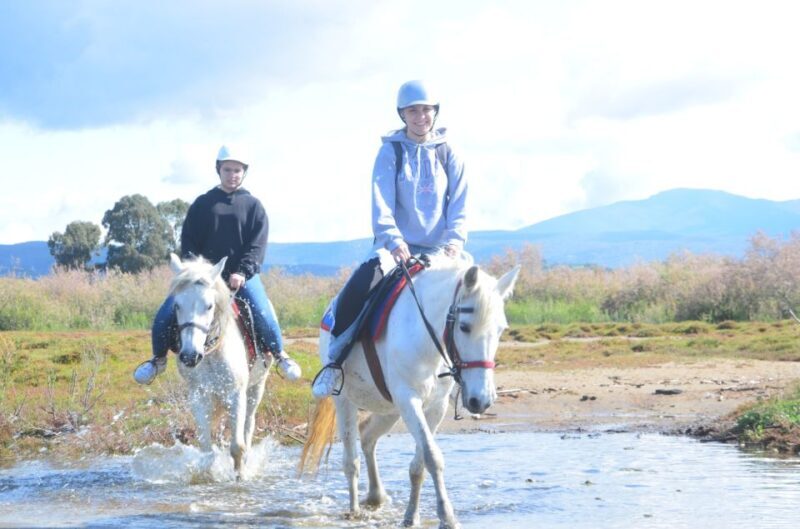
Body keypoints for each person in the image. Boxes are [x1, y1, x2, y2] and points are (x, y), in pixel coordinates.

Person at [311, 79, 468, 398]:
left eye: (426, 110)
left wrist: (455, 241)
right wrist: (395, 241)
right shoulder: (390, 151)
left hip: (441, 250)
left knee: (475, 297)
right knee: (361, 284)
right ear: (402, 114)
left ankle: (473, 372)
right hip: (394, 247)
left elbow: (460, 201)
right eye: (413, 111)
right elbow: (380, 200)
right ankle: (334, 362)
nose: (420, 116)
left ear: (434, 113)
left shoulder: (448, 151)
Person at [133, 145, 302, 384]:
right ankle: (157, 360)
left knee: (262, 311)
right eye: (227, 169)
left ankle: (280, 355)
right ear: (218, 170)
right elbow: (189, 242)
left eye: (237, 170)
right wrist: (196, 272)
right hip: (204, 280)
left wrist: (242, 271)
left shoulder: (254, 206)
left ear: (244, 172)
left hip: (241, 278)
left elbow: (257, 245)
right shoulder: (202, 204)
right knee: (166, 312)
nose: (232, 174)